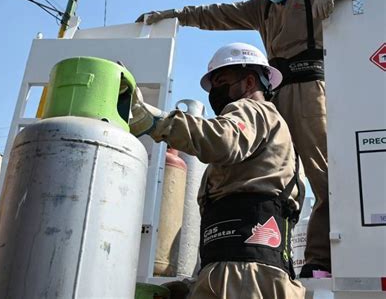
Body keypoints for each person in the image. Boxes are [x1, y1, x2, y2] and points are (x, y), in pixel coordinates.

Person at [135, 0, 367, 277]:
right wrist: (176, 15)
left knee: (325, 178)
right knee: (270, 176)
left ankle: (319, 261)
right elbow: (216, 14)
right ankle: (270, 251)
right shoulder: (263, 9)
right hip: (272, 96)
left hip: (308, 90)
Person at [130, 42, 305, 298]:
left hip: (245, 276)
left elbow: (223, 141)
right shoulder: (269, 137)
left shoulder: (251, 108)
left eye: (222, 82)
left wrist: (154, 121)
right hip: (253, 273)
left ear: (248, 83)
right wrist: (194, 283)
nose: (215, 93)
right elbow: (230, 236)